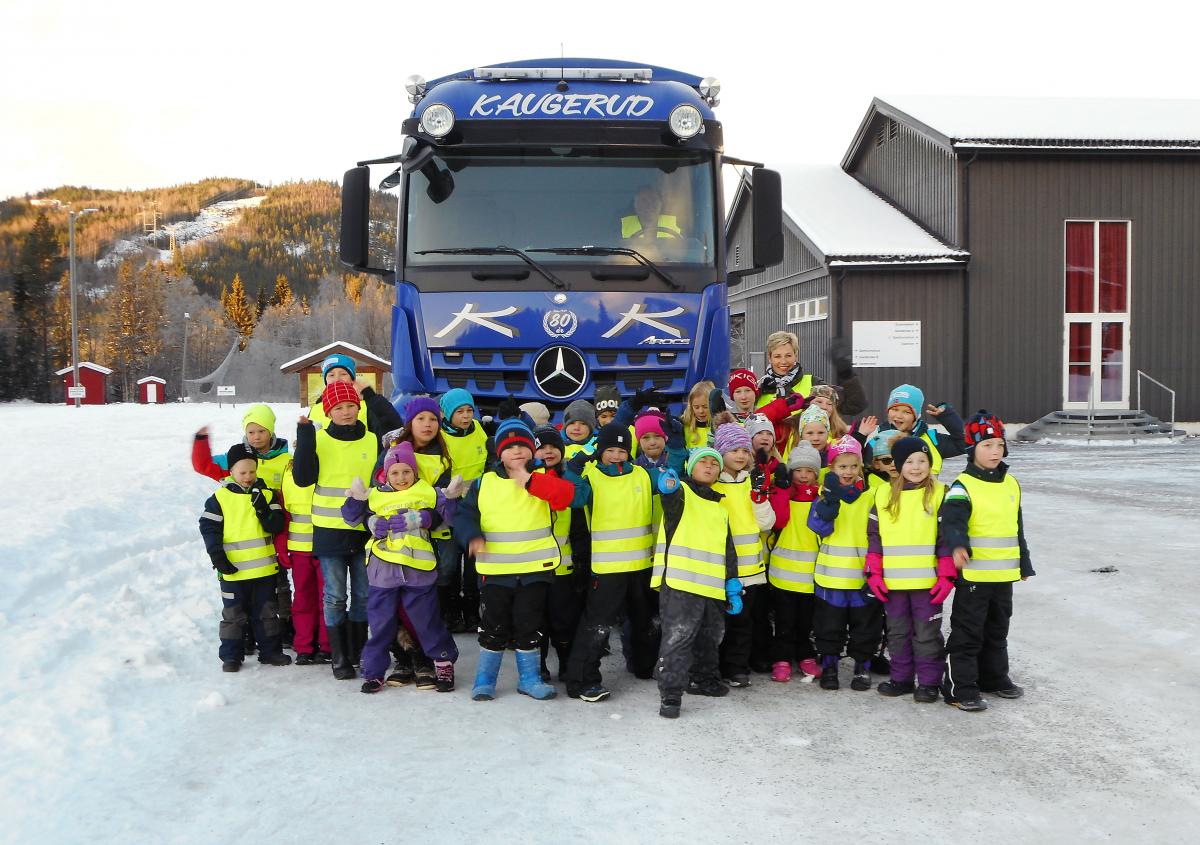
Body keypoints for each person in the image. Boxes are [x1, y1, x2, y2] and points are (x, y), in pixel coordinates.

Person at [455, 419, 576, 701]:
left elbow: (564, 497)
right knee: (494, 625)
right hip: (496, 570)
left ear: (532, 450)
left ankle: (530, 679)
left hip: (535, 570)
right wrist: (472, 535)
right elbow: (464, 515)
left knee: (529, 624)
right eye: (510, 448)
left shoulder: (544, 477)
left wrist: (532, 481)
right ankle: (485, 679)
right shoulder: (485, 482)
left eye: (523, 446)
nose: (518, 452)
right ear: (500, 453)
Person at [341, 442, 459, 694]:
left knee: (426, 622)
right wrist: (358, 503)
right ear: (385, 474)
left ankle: (443, 664)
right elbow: (352, 518)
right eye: (394, 472)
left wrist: (447, 500)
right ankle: (373, 673)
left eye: (406, 471)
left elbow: (448, 517)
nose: (401, 478)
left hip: (419, 568)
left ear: (415, 472)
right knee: (381, 622)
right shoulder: (375, 494)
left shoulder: (427, 491)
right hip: (383, 570)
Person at [941, 411, 1035, 712]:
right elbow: (952, 521)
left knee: (997, 630)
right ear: (972, 449)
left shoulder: (1010, 484)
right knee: (968, 632)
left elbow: (1015, 526)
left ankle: (994, 678)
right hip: (974, 575)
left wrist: (1024, 563)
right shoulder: (963, 485)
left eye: (998, 444)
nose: (995, 451)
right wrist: (957, 545)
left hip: (1003, 574)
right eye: (987, 445)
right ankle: (960, 687)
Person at [564, 423, 658, 702]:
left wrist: (675, 449)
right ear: (600, 453)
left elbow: (671, 481)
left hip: (641, 565)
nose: (616, 456)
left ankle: (645, 665)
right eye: (610, 451)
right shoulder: (592, 477)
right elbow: (574, 497)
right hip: (607, 568)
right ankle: (582, 680)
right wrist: (574, 468)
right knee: (598, 626)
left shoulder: (642, 475)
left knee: (646, 622)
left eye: (621, 451)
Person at [291, 381, 378, 680]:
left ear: (358, 407)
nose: (345, 412)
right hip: (328, 530)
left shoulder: (371, 439)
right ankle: (339, 656)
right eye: (338, 407)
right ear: (328, 412)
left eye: (350, 406)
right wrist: (304, 436)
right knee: (335, 595)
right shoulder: (319, 439)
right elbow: (302, 479)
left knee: (365, 594)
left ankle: (358, 651)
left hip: (364, 528)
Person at [192, 404, 294, 651]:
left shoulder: (285, 459)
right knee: (244, 591)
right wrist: (201, 439)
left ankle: (284, 628)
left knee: (277, 585)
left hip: (274, 531)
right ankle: (246, 633)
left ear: (271, 431)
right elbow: (203, 465)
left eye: (261, 431)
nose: (256, 437)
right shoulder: (237, 459)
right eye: (251, 432)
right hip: (243, 535)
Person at [865, 436, 957, 703]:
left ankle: (928, 682)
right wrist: (874, 572)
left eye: (922, 461)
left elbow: (945, 536)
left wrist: (946, 572)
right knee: (897, 632)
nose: (916, 467)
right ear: (898, 465)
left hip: (927, 584)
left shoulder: (940, 492)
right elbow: (875, 536)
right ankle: (901, 678)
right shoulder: (883, 494)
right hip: (893, 584)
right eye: (909, 461)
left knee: (927, 634)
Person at [651, 447, 742, 719]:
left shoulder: (718, 506)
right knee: (678, 639)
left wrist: (732, 584)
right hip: (681, 582)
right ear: (691, 469)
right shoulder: (682, 494)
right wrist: (669, 482)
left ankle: (703, 679)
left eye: (714, 463)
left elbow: (727, 549)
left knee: (710, 637)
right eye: (703, 462)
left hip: (711, 586)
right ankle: (671, 694)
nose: (710, 466)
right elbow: (669, 493)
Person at [807, 435, 882, 691]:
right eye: (842, 466)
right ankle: (830, 665)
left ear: (861, 466)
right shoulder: (824, 494)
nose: (848, 472)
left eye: (853, 465)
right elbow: (816, 526)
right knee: (829, 626)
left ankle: (863, 666)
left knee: (866, 626)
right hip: (832, 577)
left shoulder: (872, 494)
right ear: (831, 469)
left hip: (863, 576)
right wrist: (830, 502)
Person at [712, 423, 774, 687]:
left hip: (751, 569)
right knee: (718, 623)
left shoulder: (752, 482)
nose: (740, 456)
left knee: (743, 623)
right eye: (734, 450)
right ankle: (715, 666)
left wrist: (760, 497)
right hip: (721, 569)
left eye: (744, 450)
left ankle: (737, 667)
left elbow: (766, 523)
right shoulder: (712, 485)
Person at [766, 441, 823, 683]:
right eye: (798, 470)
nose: (802, 476)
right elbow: (777, 521)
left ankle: (805, 655)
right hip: (783, 573)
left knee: (805, 621)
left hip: (810, 574)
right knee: (784, 620)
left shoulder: (822, 496)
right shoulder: (784, 494)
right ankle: (781, 657)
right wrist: (780, 489)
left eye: (808, 471)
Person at [533, 424, 588, 681]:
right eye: (541, 447)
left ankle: (567, 663)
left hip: (564, 569)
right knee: (537, 621)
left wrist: (579, 564)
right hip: (534, 568)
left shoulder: (570, 479)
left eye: (553, 446)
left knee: (565, 621)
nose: (548, 451)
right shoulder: (527, 481)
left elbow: (578, 527)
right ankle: (539, 664)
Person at [438, 389, 487, 634]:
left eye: (469, 410)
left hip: (475, 508)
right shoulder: (440, 437)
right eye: (460, 412)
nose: (466, 416)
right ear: (448, 414)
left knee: (472, 565)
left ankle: (471, 612)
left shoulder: (479, 430)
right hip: (448, 509)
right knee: (448, 566)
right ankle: (450, 611)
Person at [281, 458, 329, 665]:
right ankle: (304, 646)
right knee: (302, 598)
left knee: (327, 598)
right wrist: (282, 545)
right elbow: (285, 513)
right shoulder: (289, 473)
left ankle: (327, 645)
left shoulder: (330, 470)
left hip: (327, 547)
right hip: (300, 549)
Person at [756, 331, 866, 421]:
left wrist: (846, 373)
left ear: (796, 356)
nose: (783, 361)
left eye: (788, 355)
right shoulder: (759, 388)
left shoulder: (813, 383)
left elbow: (854, 405)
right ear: (769, 358)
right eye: (777, 356)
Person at [306, 353, 403, 448]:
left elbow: (392, 429)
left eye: (343, 374)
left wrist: (371, 396)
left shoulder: (368, 404)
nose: (337, 379)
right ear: (325, 380)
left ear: (352, 378)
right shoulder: (316, 408)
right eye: (331, 375)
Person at [879, 384, 966, 476]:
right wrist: (862, 436)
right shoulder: (877, 439)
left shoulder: (933, 440)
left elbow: (964, 443)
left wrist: (947, 417)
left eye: (906, 412)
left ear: (916, 416)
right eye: (895, 409)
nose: (899, 416)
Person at [681, 380, 716, 449]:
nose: (701, 411)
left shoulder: (722, 427)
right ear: (691, 406)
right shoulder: (684, 426)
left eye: (705, 407)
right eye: (696, 407)